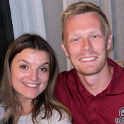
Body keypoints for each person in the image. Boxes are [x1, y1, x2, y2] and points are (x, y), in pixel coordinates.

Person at [54, 2, 124, 124]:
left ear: (108, 41)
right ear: (65, 49)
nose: (86, 47)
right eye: (76, 39)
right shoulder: (58, 87)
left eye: (95, 36)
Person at [0, 33, 72, 124]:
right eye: (24, 67)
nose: (34, 77)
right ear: (9, 69)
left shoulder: (57, 119)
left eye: (43, 69)